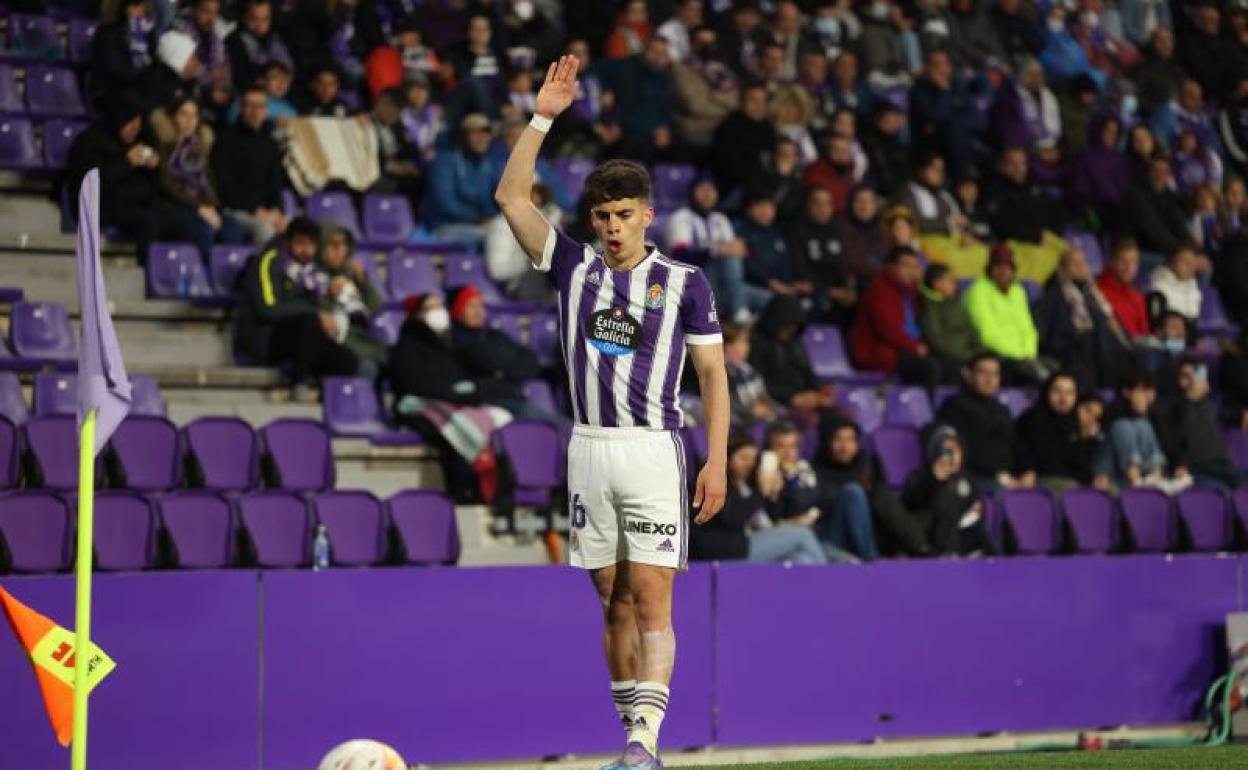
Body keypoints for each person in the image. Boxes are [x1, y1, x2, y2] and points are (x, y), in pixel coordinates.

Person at [493, 56, 728, 770]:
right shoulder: (573, 267)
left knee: (652, 599)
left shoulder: (685, 283)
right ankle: (633, 744)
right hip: (589, 449)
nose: (613, 227)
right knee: (613, 601)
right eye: (602, 216)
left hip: (654, 448)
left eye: (624, 215)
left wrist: (717, 459)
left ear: (647, 215)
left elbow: (713, 376)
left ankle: (643, 744)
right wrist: (543, 117)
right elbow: (510, 196)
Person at [234, 216, 360, 396]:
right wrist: (315, 313)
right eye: (300, 243)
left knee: (347, 360)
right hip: (264, 339)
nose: (306, 250)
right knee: (308, 321)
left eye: (311, 244)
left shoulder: (312, 270)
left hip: (300, 341)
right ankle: (299, 385)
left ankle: (327, 399)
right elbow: (268, 310)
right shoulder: (269, 261)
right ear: (288, 242)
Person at [689, 433, 828, 563]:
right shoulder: (714, 482)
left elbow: (771, 518)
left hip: (745, 542)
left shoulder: (749, 483)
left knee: (803, 559)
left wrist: (773, 495)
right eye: (744, 458)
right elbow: (733, 519)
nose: (749, 463)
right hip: (722, 548)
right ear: (727, 457)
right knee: (803, 534)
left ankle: (824, 580)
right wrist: (762, 493)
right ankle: (831, 579)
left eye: (753, 458)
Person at [816, 414, 932, 557]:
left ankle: (920, 547)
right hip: (834, 538)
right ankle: (871, 559)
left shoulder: (867, 464)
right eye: (838, 440)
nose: (845, 447)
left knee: (883, 496)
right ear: (827, 443)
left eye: (850, 440)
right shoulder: (817, 469)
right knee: (853, 492)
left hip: (869, 534)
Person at [152, 95, 248, 264]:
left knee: (233, 229)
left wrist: (212, 208)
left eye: (194, 115)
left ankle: (227, 277)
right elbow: (166, 185)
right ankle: (203, 275)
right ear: (172, 117)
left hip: (203, 208)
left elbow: (210, 184)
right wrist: (199, 208)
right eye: (184, 114)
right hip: (174, 210)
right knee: (203, 230)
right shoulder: (163, 147)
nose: (190, 120)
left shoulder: (201, 147)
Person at [760, 420, 872, 561]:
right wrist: (774, 493)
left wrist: (816, 510)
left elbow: (826, 497)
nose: (788, 453)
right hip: (792, 538)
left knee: (852, 492)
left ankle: (871, 558)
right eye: (781, 447)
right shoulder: (764, 477)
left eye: (793, 446)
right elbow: (770, 520)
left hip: (820, 532)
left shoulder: (805, 469)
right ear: (769, 451)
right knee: (846, 563)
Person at [1033, 246, 1133, 391]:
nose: (1080, 267)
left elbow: (1114, 327)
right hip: (1072, 352)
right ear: (1062, 269)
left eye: (1083, 263)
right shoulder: (1053, 297)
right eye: (1074, 263)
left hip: (1099, 351)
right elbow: (1050, 335)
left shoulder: (1094, 297)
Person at [851, 246, 951, 389]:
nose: (911, 270)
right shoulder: (880, 289)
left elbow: (925, 314)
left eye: (915, 266)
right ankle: (923, 403)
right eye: (906, 265)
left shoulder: (911, 289)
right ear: (891, 267)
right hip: (884, 351)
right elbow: (889, 331)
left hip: (907, 348)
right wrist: (914, 347)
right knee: (930, 368)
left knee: (951, 365)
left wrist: (922, 285)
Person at [936, 352, 1037, 490]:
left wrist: (1028, 470)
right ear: (969, 375)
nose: (990, 379)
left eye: (995, 374)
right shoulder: (954, 407)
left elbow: (1015, 443)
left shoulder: (1001, 409)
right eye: (983, 373)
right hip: (977, 477)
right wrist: (996, 475)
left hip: (1007, 478)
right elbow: (961, 451)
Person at [902, 424, 997, 555]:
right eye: (947, 451)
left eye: (957, 450)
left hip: (961, 537)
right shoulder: (922, 476)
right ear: (936, 452)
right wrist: (935, 481)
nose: (953, 456)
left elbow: (975, 510)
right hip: (930, 541)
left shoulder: (967, 479)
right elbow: (911, 502)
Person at [963, 244, 1051, 384]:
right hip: (995, 353)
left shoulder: (1018, 291)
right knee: (1036, 376)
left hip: (1026, 356)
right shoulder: (977, 292)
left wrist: (1029, 353)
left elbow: (1027, 328)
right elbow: (987, 334)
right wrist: (1019, 356)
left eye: (1008, 268)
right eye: (998, 267)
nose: (1004, 272)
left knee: (1056, 370)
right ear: (990, 269)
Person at [212, 84, 287, 247]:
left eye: (260, 107)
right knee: (265, 229)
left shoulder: (269, 144)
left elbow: (275, 184)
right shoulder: (225, 141)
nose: (255, 112)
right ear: (241, 108)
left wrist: (277, 210)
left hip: (264, 212)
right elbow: (225, 188)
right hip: (234, 210)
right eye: (251, 106)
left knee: (299, 229)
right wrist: (255, 210)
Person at [981, 146, 1067, 282]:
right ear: (1002, 166)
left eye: (1021, 163)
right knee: (1041, 257)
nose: (1018, 168)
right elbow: (1002, 225)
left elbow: (1057, 213)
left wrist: (1051, 235)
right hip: (1016, 245)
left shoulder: (1035, 187)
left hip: (1045, 240)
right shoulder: (994, 192)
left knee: (1072, 256)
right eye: (1012, 163)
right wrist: (1035, 237)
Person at [1156, 359, 1242, 491]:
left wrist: (1241, 414)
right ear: (1177, 380)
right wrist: (1190, 399)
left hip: (1222, 462)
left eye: (1195, 376)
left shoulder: (1209, 403)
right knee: (1220, 491)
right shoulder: (1170, 406)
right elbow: (1174, 439)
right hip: (1195, 466)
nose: (1192, 381)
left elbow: (1228, 414)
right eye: (1186, 376)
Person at [1103, 368, 1192, 494]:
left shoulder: (1157, 414)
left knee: (1143, 426)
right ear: (1127, 392)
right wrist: (1138, 413)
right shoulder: (1113, 411)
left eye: (1151, 390)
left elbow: (1170, 442)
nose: (1149, 395)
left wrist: (1180, 465)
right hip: (1119, 472)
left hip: (1150, 470)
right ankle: (1137, 480)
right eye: (1143, 390)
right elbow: (1113, 440)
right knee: (1124, 426)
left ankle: (1154, 477)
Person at [1016, 372, 1110, 491]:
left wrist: (1087, 439)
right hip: (1045, 479)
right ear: (1047, 392)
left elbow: (1081, 463)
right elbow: (1048, 464)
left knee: (1110, 489)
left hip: (1074, 480)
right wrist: (1087, 479)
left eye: (1070, 393)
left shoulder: (1074, 421)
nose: (1064, 398)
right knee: (1072, 489)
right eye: (1057, 391)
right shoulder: (1032, 419)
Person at [315, 225, 385, 379]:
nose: (340, 250)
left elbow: (376, 307)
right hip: (337, 345)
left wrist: (362, 280)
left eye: (343, 244)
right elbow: (314, 314)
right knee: (367, 368)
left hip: (362, 340)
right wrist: (328, 296)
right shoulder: (312, 275)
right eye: (333, 245)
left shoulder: (351, 276)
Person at [749, 295, 833, 415]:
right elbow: (757, 382)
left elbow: (806, 370)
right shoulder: (756, 342)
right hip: (777, 403)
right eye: (788, 325)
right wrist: (791, 398)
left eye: (795, 326)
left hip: (804, 398)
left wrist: (817, 392)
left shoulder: (794, 341)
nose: (792, 330)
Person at [423, 113, 497, 243]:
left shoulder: (488, 163)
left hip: (480, 225)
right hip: (445, 226)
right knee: (496, 238)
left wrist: (494, 218)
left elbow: (491, 202)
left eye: (486, 132)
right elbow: (445, 204)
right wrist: (478, 218)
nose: (482, 137)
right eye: (475, 133)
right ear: (462, 137)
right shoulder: (444, 162)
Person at [788, 187, 857, 326]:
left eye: (827, 204)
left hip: (838, 289)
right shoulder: (797, 230)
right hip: (812, 290)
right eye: (817, 203)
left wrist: (849, 289)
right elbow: (799, 269)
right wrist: (829, 291)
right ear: (808, 206)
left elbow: (847, 265)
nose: (822, 208)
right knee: (820, 303)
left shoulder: (839, 231)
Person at [918, 263, 983, 370]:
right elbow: (937, 341)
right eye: (950, 280)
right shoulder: (929, 308)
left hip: (969, 355)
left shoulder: (956, 302)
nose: (955, 283)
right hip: (950, 359)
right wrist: (967, 355)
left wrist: (980, 352)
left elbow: (971, 328)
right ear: (937, 284)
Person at [224, 0, 292, 92]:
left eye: (265, 19)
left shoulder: (278, 37)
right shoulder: (234, 42)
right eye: (254, 19)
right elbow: (240, 80)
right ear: (244, 17)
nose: (260, 25)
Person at [721, 323, 775, 428]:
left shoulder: (748, 370)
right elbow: (727, 407)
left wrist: (767, 406)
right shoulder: (722, 373)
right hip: (737, 427)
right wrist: (751, 411)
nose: (748, 347)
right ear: (727, 346)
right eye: (743, 342)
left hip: (759, 422)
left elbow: (764, 396)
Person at [1148, 244, 1204, 324]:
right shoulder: (1158, 288)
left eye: (1193, 262)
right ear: (1170, 262)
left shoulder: (1193, 287)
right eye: (1184, 261)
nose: (1190, 266)